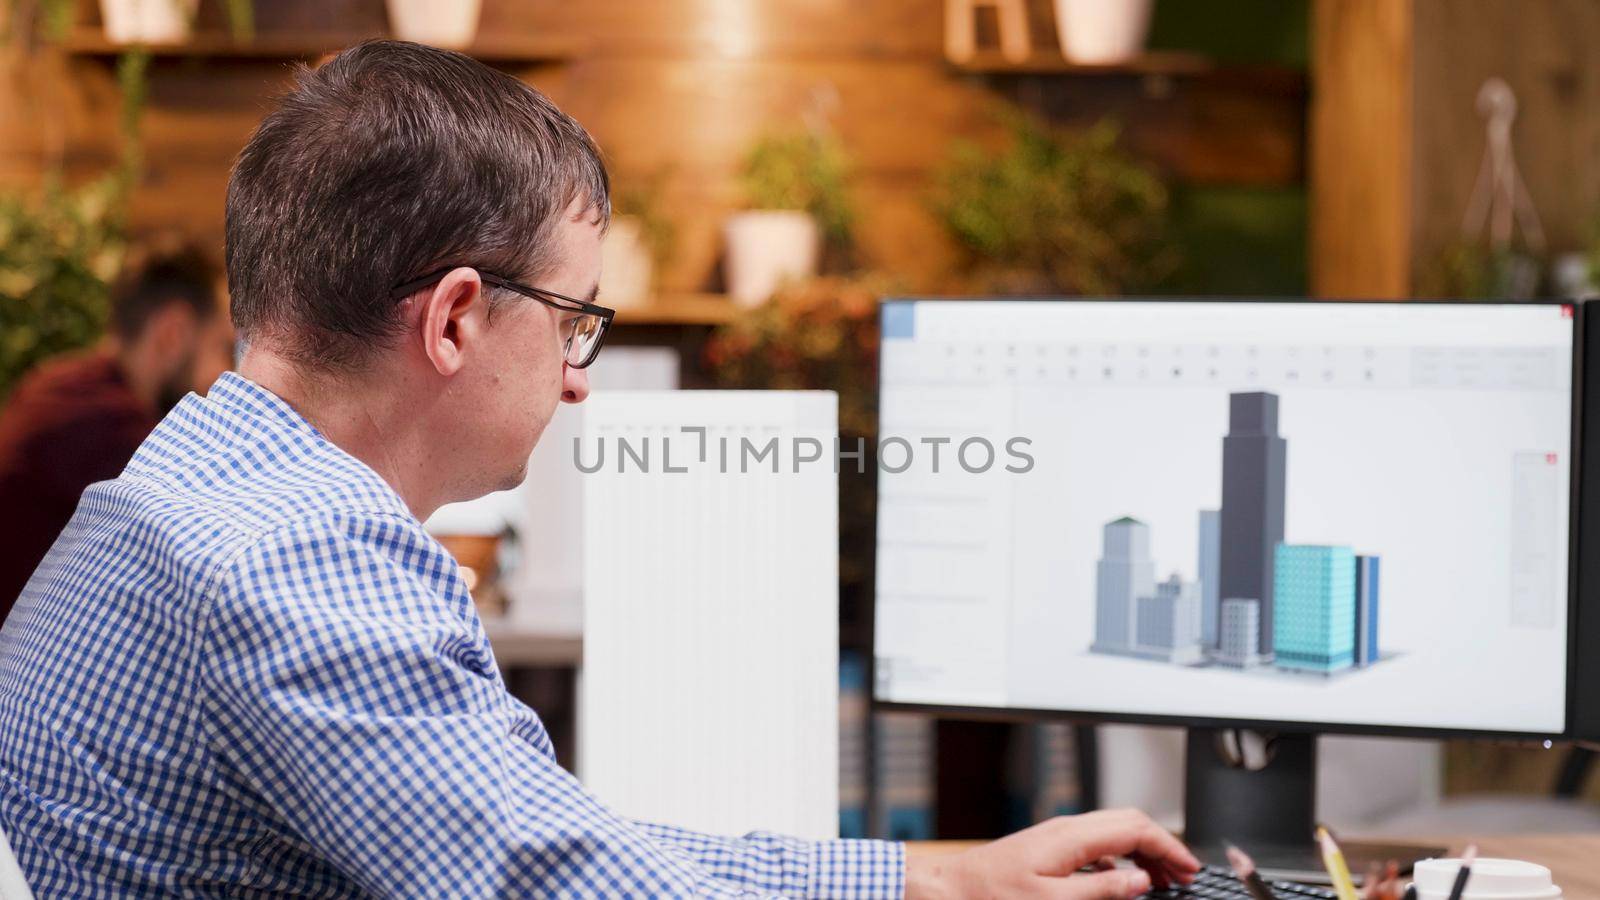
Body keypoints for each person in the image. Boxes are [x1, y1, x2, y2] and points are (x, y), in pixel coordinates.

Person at [0, 41, 1199, 898]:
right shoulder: (301, 556)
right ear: (457, 318)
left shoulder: (182, 487)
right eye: (575, 321)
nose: (579, 378)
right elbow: (560, 881)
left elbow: (554, 844)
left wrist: (937, 875)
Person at [0, 241, 232, 613]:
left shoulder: (58, 384)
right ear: (173, 332)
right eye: (223, 347)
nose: (225, 373)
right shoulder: (114, 432)